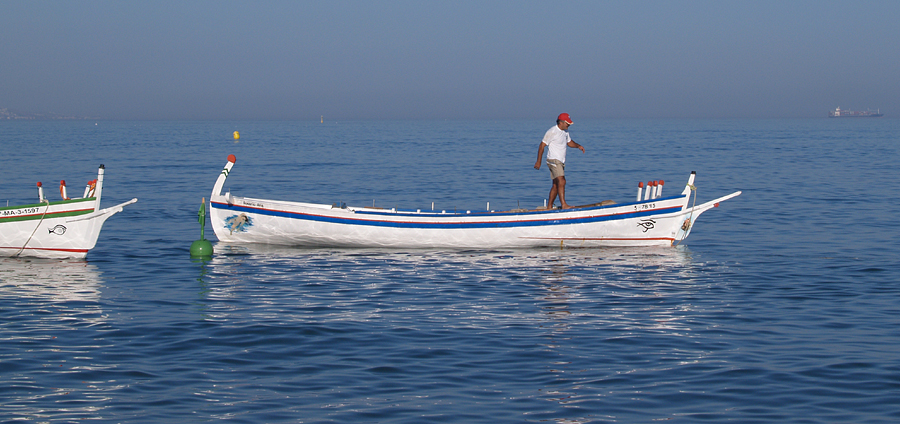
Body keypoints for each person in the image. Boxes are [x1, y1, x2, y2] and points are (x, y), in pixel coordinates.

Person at [534, 113, 585, 209]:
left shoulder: (565, 132)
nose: (568, 125)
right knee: (562, 181)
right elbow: (542, 146)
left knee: (556, 185)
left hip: (560, 161)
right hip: (553, 160)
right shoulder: (552, 131)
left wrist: (578, 146)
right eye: (567, 123)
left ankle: (549, 207)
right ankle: (564, 204)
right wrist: (538, 161)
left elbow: (569, 142)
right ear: (560, 122)